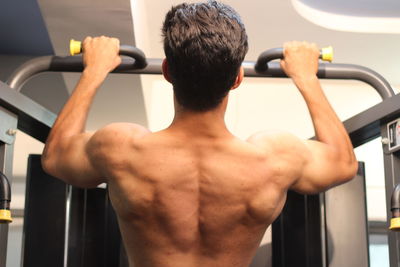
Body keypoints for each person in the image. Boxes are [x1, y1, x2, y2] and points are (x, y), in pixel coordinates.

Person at [41, 1, 358, 266]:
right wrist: (306, 77)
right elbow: (343, 164)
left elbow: (55, 156)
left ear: (167, 71)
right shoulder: (275, 157)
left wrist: (93, 71)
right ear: (237, 78)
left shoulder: (121, 148)